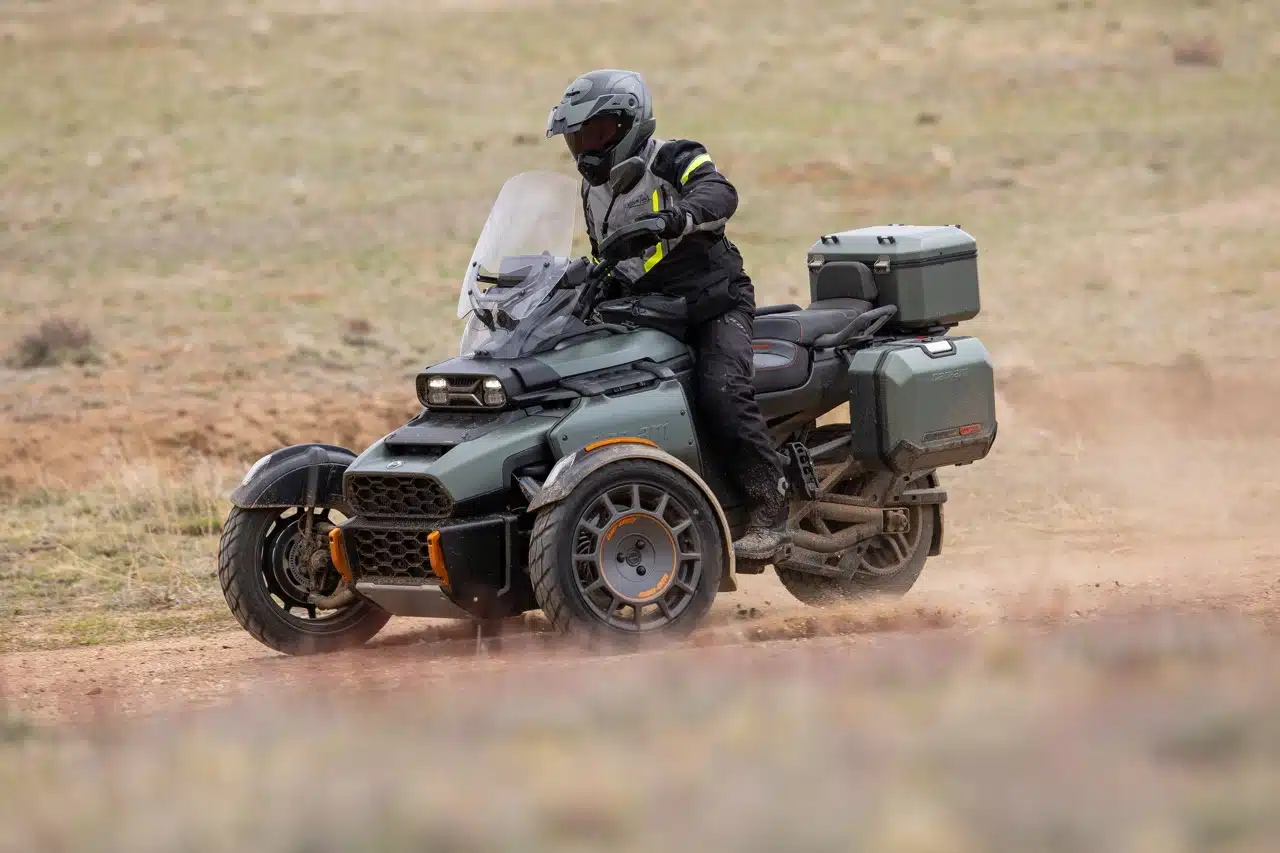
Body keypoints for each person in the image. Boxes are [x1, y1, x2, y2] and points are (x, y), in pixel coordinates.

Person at [545, 68, 791, 562]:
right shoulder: (592, 192)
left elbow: (720, 193)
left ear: (629, 125)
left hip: (712, 304)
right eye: (577, 139)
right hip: (647, 311)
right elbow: (607, 258)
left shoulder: (674, 157)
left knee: (722, 391)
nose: (586, 150)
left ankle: (771, 509)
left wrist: (672, 219)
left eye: (596, 134)